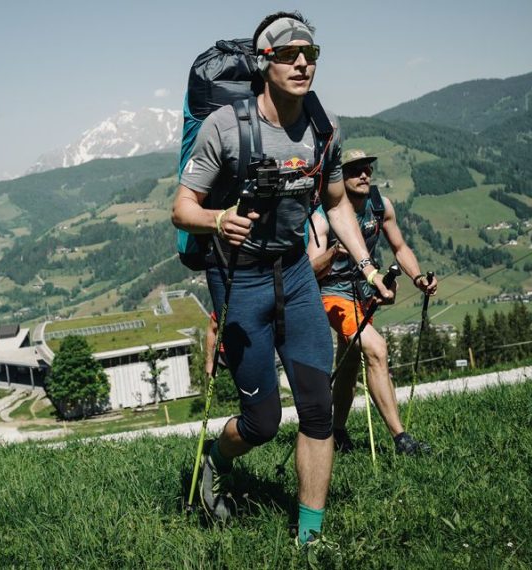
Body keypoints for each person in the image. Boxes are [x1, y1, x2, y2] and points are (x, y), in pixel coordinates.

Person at [171, 12, 392, 543]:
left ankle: (309, 540)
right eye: (290, 54)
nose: (302, 64)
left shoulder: (323, 126)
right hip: (239, 280)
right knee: (262, 422)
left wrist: (365, 268)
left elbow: (337, 203)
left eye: (310, 55)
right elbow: (182, 208)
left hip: (294, 274)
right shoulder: (227, 126)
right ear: (265, 61)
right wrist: (218, 219)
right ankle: (216, 460)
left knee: (317, 409)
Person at [306, 149, 438, 456]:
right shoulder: (323, 215)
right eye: (355, 170)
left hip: (364, 294)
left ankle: (337, 432)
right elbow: (311, 268)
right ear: (339, 177)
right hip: (334, 296)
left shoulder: (380, 205)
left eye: (367, 168)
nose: (364, 174)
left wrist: (418, 278)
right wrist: (333, 253)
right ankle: (402, 440)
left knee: (350, 362)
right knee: (377, 350)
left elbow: (400, 246)